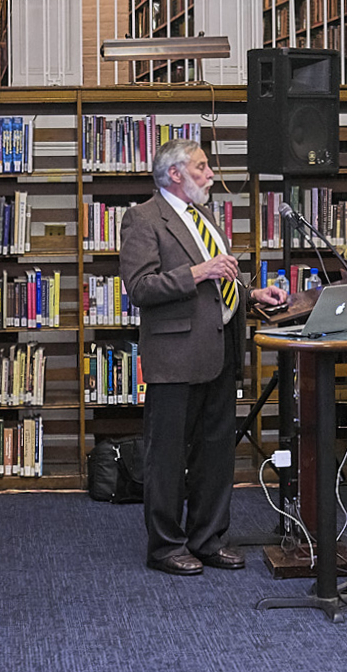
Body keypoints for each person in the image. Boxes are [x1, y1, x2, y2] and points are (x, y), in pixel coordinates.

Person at [120, 140, 283, 575]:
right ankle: (166, 547)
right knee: (169, 456)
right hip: (175, 354)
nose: (211, 174)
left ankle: (208, 539)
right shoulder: (143, 218)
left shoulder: (205, 216)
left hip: (222, 349)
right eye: (202, 167)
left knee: (215, 453)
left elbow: (222, 283)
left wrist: (252, 295)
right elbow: (140, 288)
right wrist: (198, 272)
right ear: (174, 173)